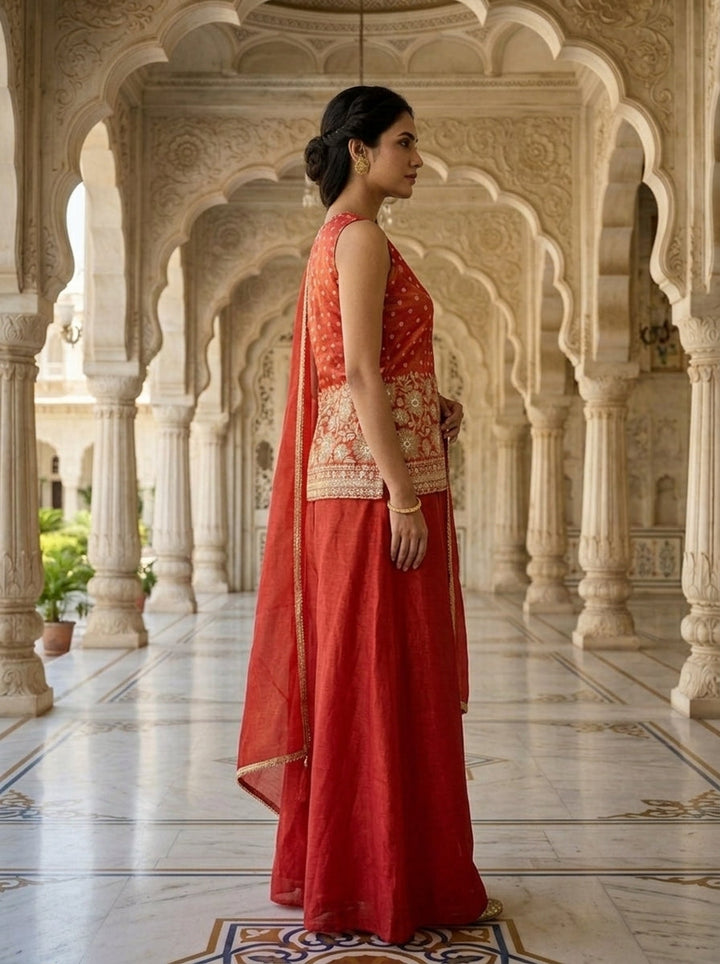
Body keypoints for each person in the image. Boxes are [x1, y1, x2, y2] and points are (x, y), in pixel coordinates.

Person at [237, 85, 501, 944]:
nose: (418, 158)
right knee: (384, 686)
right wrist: (404, 494)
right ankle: (382, 884)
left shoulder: (340, 240)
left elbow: (373, 372)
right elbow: (355, 374)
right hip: (371, 503)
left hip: (361, 489)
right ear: (359, 150)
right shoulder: (362, 241)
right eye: (404, 141)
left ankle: (365, 874)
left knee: (376, 680)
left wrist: (434, 410)